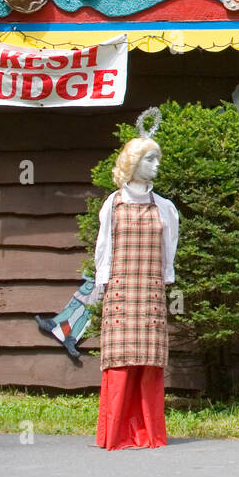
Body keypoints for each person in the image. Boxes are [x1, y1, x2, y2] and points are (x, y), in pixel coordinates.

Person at [94, 135, 179, 450]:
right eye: (149, 159)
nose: (156, 165)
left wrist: (165, 279)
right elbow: (104, 248)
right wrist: (103, 283)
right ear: (132, 162)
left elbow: (169, 249)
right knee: (119, 361)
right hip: (119, 290)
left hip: (150, 290)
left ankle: (149, 432)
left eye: (158, 159)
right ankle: (116, 432)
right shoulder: (112, 204)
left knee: (149, 362)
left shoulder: (165, 208)